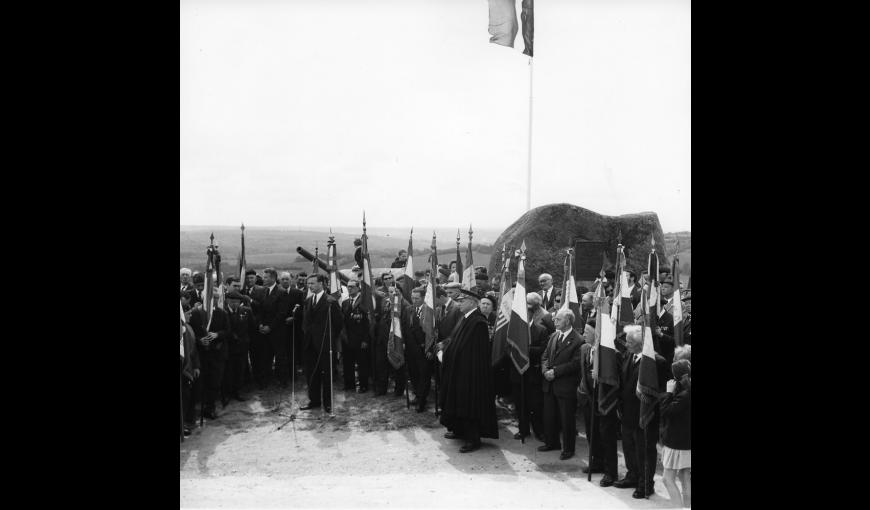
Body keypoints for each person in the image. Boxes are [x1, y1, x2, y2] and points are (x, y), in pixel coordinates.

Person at [438, 289, 498, 453]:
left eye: (461, 301)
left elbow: (476, 353)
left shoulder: (478, 322)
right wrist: (445, 349)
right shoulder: (465, 318)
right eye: (458, 301)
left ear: (472, 302)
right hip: (459, 370)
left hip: (471, 373)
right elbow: (456, 342)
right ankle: (460, 431)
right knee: (458, 402)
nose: (458, 304)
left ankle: (473, 439)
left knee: (469, 405)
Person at [613, 325, 671, 499]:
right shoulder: (628, 355)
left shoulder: (657, 361)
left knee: (644, 450)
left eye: (630, 342)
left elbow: (663, 390)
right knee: (629, 447)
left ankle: (646, 484)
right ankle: (632, 476)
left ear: (641, 343)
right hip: (628, 412)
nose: (627, 344)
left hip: (646, 414)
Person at [579, 318, 619, 486]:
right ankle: (597, 462)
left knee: (607, 437)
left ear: (597, 334)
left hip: (604, 401)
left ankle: (611, 472)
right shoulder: (585, 349)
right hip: (589, 398)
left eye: (587, 332)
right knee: (591, 434)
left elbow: (615, 379)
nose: (583, 335)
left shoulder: (610, 353)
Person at [538, 309, 583, 460]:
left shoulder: (578, 340)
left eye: (558, 319)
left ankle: (568, 449)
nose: (554, 322)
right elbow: (545, 355)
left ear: (568, 321)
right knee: (549, 415)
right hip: (550, 383)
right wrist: (545, 370)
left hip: (565, 385)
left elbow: (576, 364)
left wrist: (555, 372)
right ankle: (552, 442)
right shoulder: (554, 335)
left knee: (566, 419)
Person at [300, 274, 343, 413]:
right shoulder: (308, 301)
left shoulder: (330, 301)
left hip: (325, 344)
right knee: (311, 374)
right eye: (308, 284)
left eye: (312, 283)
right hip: (309, 344)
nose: (309, 286)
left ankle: (328, 403)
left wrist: (329, 336)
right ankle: (314, 400)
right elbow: (305, 321)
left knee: (327, 374)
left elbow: (338, 322)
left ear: (321, 284)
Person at [509, 294, 549, 441]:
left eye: (527, 313)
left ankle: (539, 431)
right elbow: (508, 348)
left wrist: (525, 349)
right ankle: (523, 429)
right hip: (517, 373)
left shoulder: (541, 330)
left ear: (532, 314)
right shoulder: (512, 331)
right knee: (520, 404)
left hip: (533, 373)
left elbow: (543, 350)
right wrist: (519, 349)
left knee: (535, 405)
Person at [189, 289, 230, 420]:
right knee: (201, 382)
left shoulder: (222, 313)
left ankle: (210, 407)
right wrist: (199, 340)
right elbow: (189, 333)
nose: (215, 299)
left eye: (217, 297)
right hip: (201, 354)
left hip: (217, 353)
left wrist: (218, 334)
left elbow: (228, 331)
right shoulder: (195, 313)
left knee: (215, 381)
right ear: (203, 298)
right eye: (212, 297)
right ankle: (198, 408)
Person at [660, 359, 691, 508]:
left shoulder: (684, 394)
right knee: (685, 477)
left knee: (667, 479)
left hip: (676, 442)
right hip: (685, 442)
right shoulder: (686, 391)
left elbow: (666, 412)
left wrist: (668, 392)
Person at [222, 285, 253, 405]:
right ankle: (227, 393)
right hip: (228, 347)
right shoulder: (223, 312)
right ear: (227, 301)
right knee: (228, 370)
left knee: (240, 369)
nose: (234, 304)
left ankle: (238, 391)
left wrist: (246, 341)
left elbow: (252, 327)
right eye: (232, 302)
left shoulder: (246, 311)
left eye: (237, 302)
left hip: (242, 346)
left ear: (240, 302)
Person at [403, 287, 432, 412]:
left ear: (424, 297)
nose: (414, 300)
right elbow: (404, 328)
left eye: (417, 298)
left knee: (424, 375)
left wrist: (429, 348)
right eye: (412, 298)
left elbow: (431, 332)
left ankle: (422, 401)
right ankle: (417, 394)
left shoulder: (429, 311)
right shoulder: (408, 310)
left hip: (423, 349)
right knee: (413, 374)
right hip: (410, 349)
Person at [341, 280, 371, 393]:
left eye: (352, 287)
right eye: (348, 287)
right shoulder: (345, 303)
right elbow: (343, 321)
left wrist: (365, 339)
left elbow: (367, 323)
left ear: (358, 288)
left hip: (360, 338)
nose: (349, 289)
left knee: (362, 363)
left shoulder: (364, 302)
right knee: (348, 363)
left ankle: (363, 385)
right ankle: (349, 384)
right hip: (348, 338)